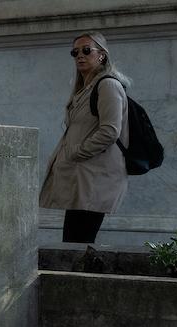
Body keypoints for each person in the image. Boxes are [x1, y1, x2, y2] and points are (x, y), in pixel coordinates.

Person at [39, 32, 131, 245]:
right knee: (74, 242)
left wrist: (76, 151)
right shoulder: (84, 90)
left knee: (76, 242)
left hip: (94, 179)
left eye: (87, 50)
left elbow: (110, 131)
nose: (80, 55)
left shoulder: (108, 85)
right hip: (82, 179)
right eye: (75, 52)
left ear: (102, 55)